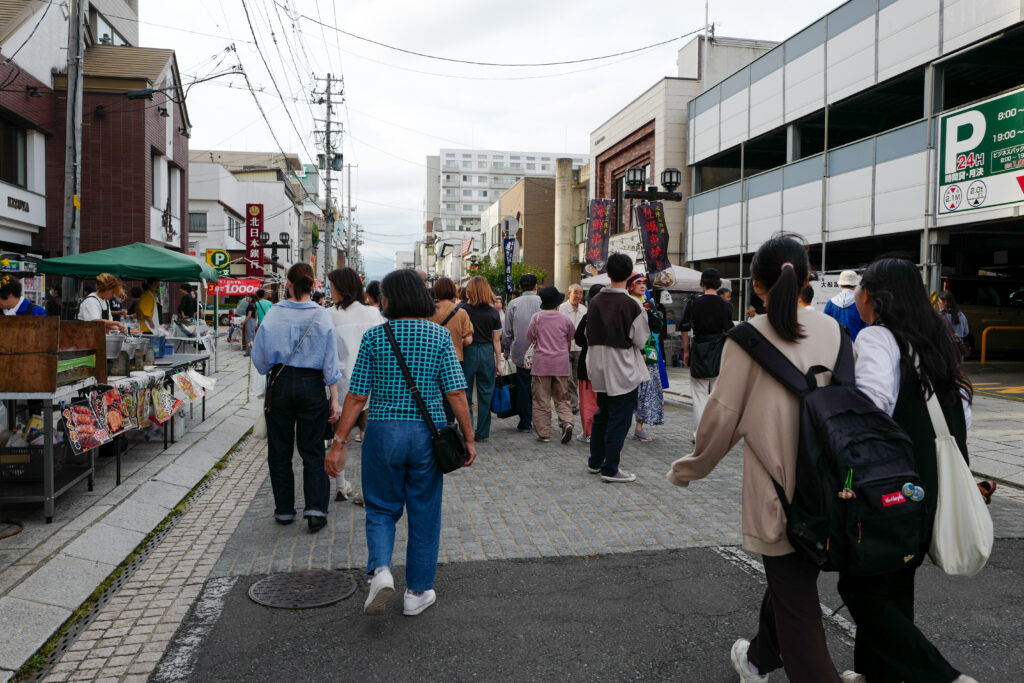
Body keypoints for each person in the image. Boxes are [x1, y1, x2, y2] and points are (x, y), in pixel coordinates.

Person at [667, 236, 843, 683]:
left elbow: (722, 417)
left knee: (797, 605)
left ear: (757, 287)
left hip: (777, 493)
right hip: (832, 487)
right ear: (807, 280)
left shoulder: (747, 339)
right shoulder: (834, 331)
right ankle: (758, 660)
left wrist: (690, 468)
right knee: (792, 585)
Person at [839, 258, 979, 683]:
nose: (858, 296)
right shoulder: (937, 340)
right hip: (932, 481)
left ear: (876, 298)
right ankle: (874, 673)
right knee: (897, 578)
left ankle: (943, 677)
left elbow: (872, 406)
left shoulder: (878, 337)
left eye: (863, 288)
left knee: (861, 586)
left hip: (890, 484)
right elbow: (964, 416)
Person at [324, 268, 477, 617]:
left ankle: (379, 571)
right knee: (424, 511)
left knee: (379, 507)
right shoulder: (439, 337)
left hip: (382, 431)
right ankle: (416, 592)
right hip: (428, 434)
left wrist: (339, 441)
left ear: (389, 300)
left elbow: (357, 396)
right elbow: (455, 392)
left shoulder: (376, 338)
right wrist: (468, 438)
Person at [252, 263, 341, 533]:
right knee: (312, 449)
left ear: (288, 283)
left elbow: (260, 360)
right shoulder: (322, 315)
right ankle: (315, 510)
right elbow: (330, 363)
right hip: (312, 386)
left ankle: (285, 510)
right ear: (312, 285)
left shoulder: (274, 314)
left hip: (279, 383)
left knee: (279, 449)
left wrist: (273, 368)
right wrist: (334, 398)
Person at [585, 254, 659, 483]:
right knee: (619, 417)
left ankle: (595, 462)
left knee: (603, 413)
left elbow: (587, 333)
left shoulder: (595, 301)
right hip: (622, 366)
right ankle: (610, 468)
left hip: (597, 364)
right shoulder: (631, 305)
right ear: (629, 276)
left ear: (608, 273)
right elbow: (640, 340)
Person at [328, 267, 384, 499]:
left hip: (341, 385)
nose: (330, 291)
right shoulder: (373, 314)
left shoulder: (328, 315)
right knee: (370, 439)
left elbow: (327, 355)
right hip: (373, 384)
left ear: (341, 288)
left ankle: (341, 485)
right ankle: (367, 490)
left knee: (342, 436)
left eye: (332, 286)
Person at [680, 268, 735, 442]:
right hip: (720, 351)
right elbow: (730, 330)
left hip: (699, 350)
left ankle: (699, 434)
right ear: (718, 285)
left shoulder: (694, 303)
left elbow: (684, 327)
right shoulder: (726, 305)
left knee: (699, 395)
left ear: (702, 283)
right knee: (716, 395)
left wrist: (686, 351)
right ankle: (715, 433)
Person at [527, 286, 576, 444]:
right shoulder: (565, 319)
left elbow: (530, 337)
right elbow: (570, 338)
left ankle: (544, 433)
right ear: (557, 303)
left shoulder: (537, 318)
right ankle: (567, 422)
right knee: (562, 397)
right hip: (561, 363)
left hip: (541, 364)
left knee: (541, 399)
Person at [461, 276, 502, 441]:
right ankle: (482, 432)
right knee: (486, 393)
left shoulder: (462, 309)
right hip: (486, 352)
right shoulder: (493, 312)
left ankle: (467, 430)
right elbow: (496, 340)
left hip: (468, 351)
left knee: (466, 393)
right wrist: (498, 362)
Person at [429, 277, 474, 424]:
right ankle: (449, 425)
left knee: (434, 393)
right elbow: (468, 340)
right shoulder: (461, 313)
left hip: (432, 359)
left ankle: (434, 423)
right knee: (452, 394)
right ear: (453, 291)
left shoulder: (429, 311)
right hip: (455, 358)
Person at [502, 273, 542, 434]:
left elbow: (507, 332)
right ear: (535, 287)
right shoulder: (542, 302)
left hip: (520, 351)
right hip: (542, 350)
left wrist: (505, 351)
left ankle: (525, 422)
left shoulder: (513, 303)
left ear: (520, 287)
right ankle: (541, 422)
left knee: (523, 387)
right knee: (540, 387)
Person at [628, 274, 665, 442]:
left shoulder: (647, 302)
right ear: (630, 285)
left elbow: (657, 328)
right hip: (631, 352)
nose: (642, 286)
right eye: (638, 283)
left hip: (649, 352)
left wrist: (650, 311)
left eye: (644, 283)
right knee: (629, 390)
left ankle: (639, 426)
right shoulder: (627, 302)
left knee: (646, 390)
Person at [572, 284, 603, 444]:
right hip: (610, 365)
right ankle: (604, 431)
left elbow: (578, 338)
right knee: (605, 400)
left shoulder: (588, 316)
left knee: (588, 400)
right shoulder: (615, 314)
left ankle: (589, 432)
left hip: (589, 363)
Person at [558, 283, 587, 414]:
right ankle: (571, 404)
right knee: (568, 377)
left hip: (580, 348)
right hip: (566, 347)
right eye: (576, 292)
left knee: (576, 377)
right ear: (569, 293)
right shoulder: (562, 309)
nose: (578, 296)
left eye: (580, 293)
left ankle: (574, 403)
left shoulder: (584, 309)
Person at [824, 269, 866, 340]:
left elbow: (825, 326)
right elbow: (867, 328)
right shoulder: (862, 303)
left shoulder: (831, 303)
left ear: (840, 285)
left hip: (837, 346)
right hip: (857, 345)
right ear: (855, 285)